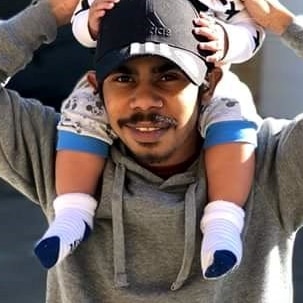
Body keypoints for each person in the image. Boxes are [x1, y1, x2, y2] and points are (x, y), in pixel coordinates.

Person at [1, 0, 303, 302]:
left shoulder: (270, 164)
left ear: (209, 84)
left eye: (168, 76)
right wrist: (49, 13)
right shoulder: (54, 153)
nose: (144, 100)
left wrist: (282, 23)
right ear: (95, 87)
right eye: (123, 78)